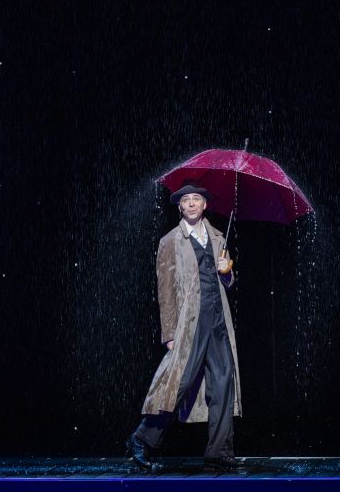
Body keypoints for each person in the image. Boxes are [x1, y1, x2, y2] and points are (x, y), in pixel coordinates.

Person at [127, 182, 243, 471]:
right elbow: (165, 291)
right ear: (180, 207)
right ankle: (141, 439)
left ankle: (220, 453)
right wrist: (168, 333)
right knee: (177, 385)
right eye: (186, 200)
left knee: (223, 384)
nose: (191, 204)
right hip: (189, 324)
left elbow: (226, 281)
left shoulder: (218, 237)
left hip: (217, 322)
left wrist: (227, 272)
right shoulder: (170, 242)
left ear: (205, 205)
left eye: (197, 200)